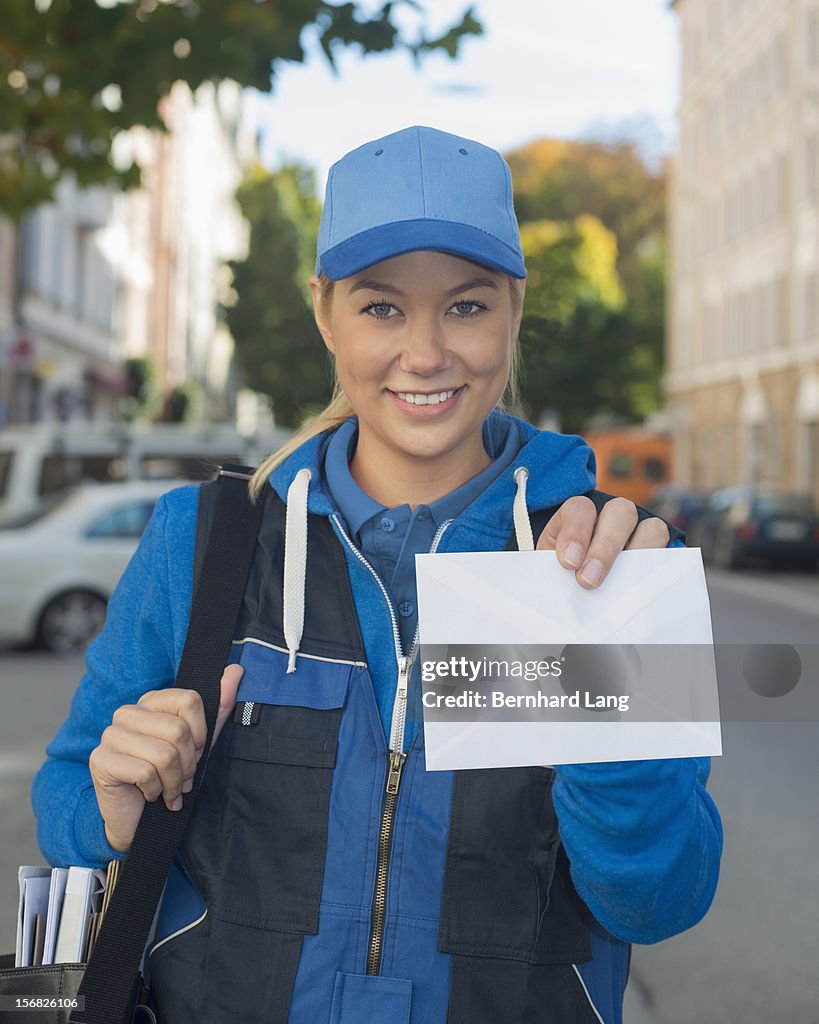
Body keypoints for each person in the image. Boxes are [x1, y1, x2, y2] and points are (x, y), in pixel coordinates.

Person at [31, 126, 722, 1024]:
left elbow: (659, 903)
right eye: (382, 307)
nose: (426, 353)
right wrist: (111, 811)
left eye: (467, 306)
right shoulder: (201, 541)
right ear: (325, 312)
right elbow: (67, 802)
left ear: (515, 309)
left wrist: (607, 728)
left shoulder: (603, 565)